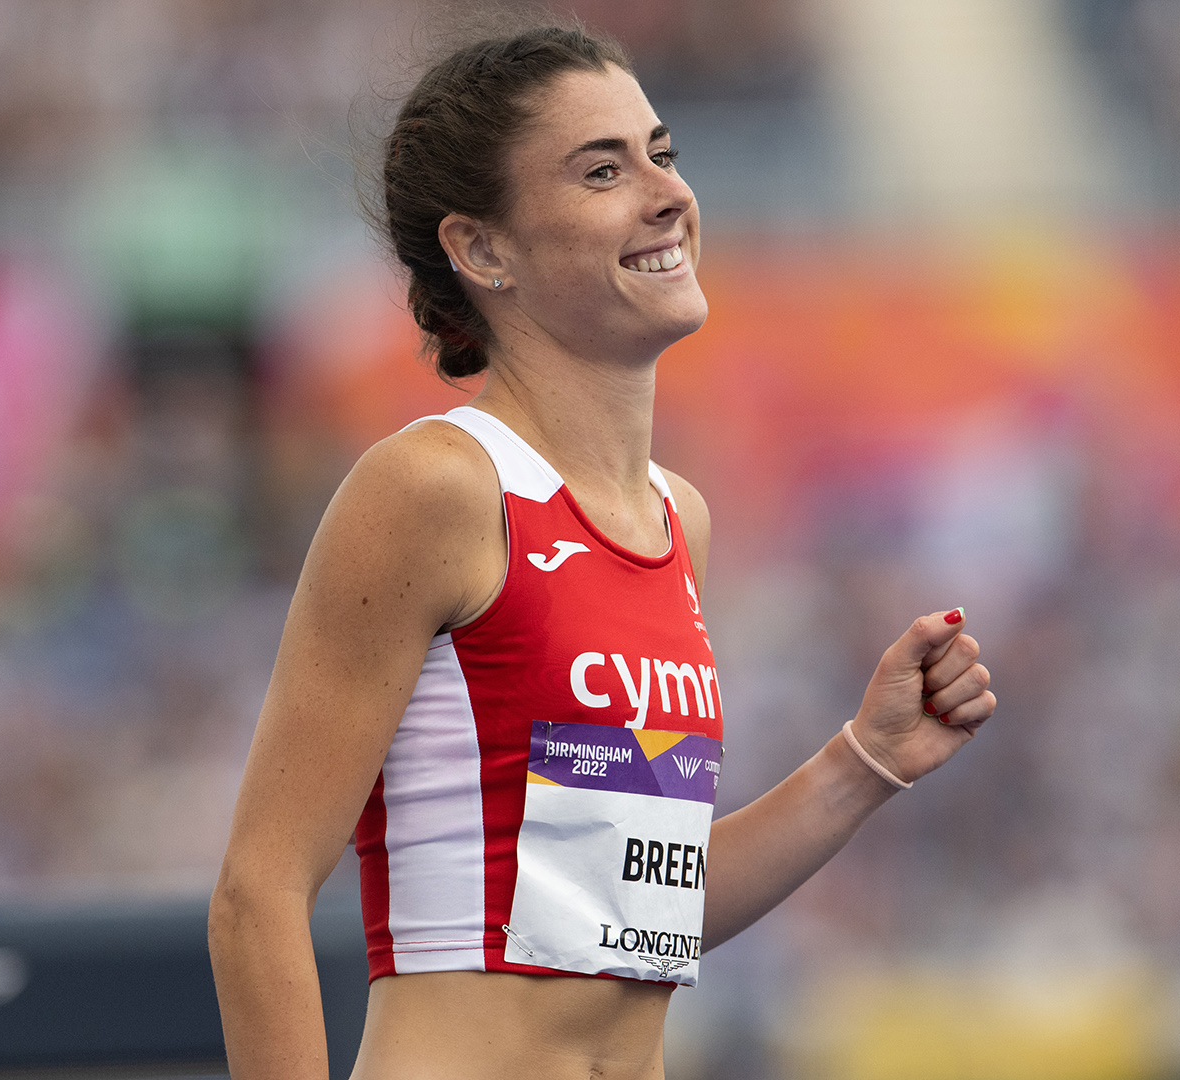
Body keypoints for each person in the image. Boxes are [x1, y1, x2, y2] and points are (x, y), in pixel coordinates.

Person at [208, 23, 995, 1080]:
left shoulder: (681, 520)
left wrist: (863, 762)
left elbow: (633, 912)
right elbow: (257, 893)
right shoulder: (436, 486)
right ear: (482, 249)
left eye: (662, 154)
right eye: (601, 170)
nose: (667, 193)